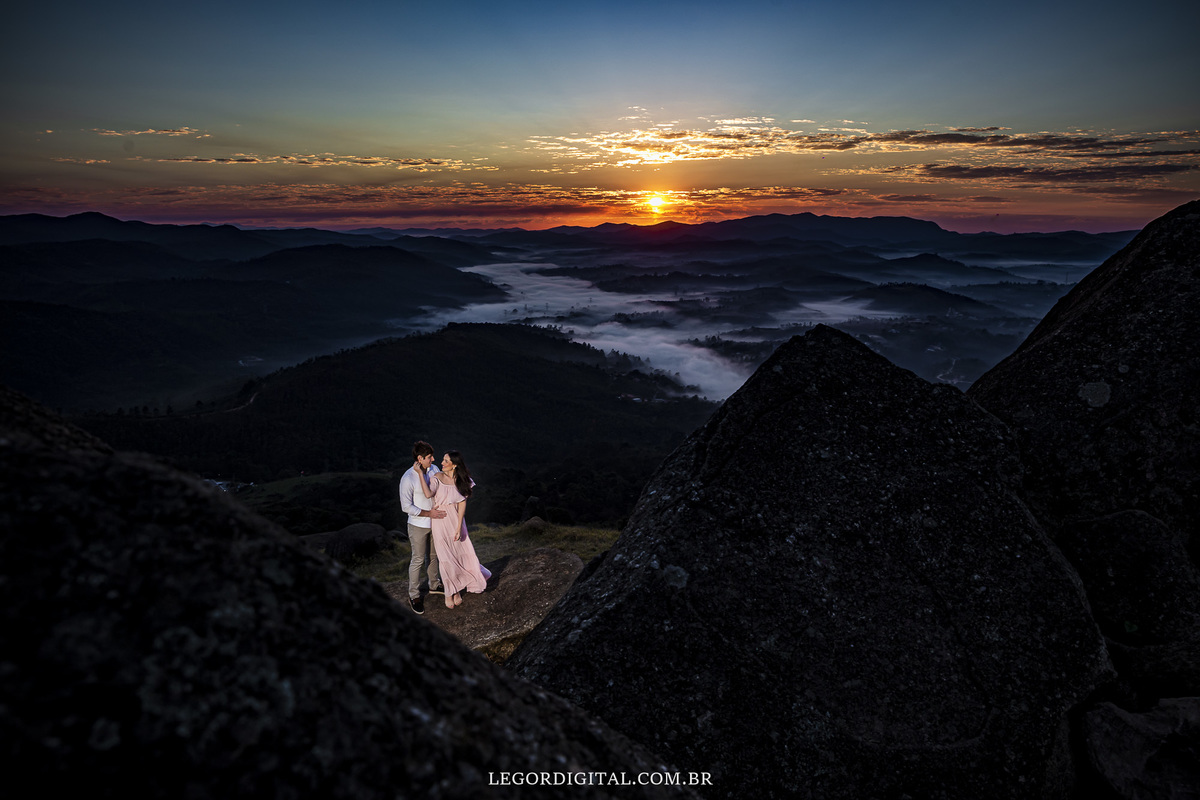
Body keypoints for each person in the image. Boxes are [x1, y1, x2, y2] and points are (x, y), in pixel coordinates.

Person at [417, 450, 491, 609]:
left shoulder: (462, 480)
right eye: (442, 460)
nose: (441, 463)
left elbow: (462, 503)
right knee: (445, 558)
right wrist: (419, 474)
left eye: (445, 461)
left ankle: (457, 590)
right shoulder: (436, 477)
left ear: (454, 465)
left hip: (456, 520)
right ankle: (450, 593)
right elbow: (429, 494)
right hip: (440, 520)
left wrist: (459, 527)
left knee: (460, 554)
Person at [399, 441, 447, 615]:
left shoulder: (434, 469)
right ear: (420, 458)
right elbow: (406, 507)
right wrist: (429, 514)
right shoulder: (407, 478)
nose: (433, 459)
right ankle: (414, 595)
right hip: (418, 525)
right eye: (429, 457)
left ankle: (434, 584)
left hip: (436, 523)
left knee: (434, 556)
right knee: (418, 559)